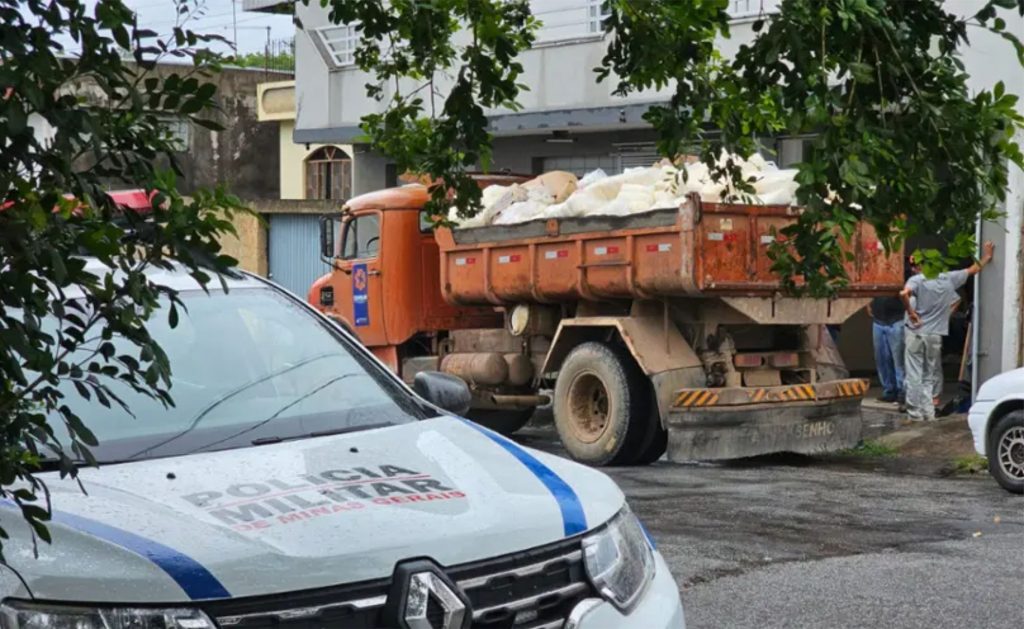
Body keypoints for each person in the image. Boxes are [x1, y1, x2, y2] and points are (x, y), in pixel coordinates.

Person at [900, 242, 994, 421]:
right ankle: (928, 413)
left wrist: (912, 314)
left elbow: (903, 294)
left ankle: (915, 414)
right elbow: (973, 269)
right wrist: (987, 256)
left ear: (922, 265)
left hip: (916, 333)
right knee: (929, 373)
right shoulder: (948, 278)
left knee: (914, 373)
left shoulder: (917, 280)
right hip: (935, 335)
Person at [867, 295, 905, 403]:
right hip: (878, 320)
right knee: (882, 358)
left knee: (899, 359)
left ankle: (902, 392)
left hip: (897, 319)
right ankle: (889, 391)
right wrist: (868, 303)